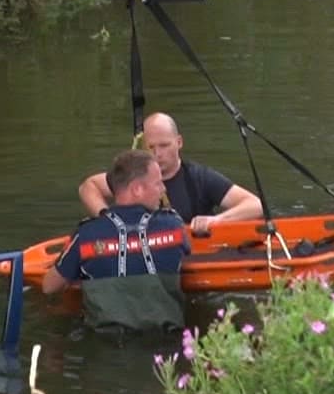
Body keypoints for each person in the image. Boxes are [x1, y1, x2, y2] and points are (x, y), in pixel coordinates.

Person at [44, 149, 189, 332]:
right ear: (137, 189)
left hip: (107, 347)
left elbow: (49, 287)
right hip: (164, 347)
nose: (163, 189)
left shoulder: (87, 236)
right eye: (158, 184)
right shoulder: (173, 226)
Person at [76, 112, 264, 232]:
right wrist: (108, 219)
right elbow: (88, 187)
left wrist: (216, 221)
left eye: (165, 145)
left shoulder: (199, 178)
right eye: (151, 147)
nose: (157, 154)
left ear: (179, 142)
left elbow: (256, 205)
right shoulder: (130, 176)